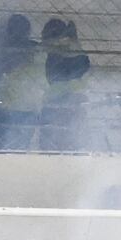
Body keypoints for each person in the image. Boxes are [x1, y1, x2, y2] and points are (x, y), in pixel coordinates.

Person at [0, 14, 43, 151]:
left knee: (2, 146)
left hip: (6, 105)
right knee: (20, 147)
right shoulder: (34, 48)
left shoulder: (2, 49)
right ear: (28, 31)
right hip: (26, 105)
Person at [40, 18, 90, 152]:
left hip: (62, 101)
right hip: (69, 101)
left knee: (55, 143)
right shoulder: (73, 49)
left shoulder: (63, 51)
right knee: (67, 142)